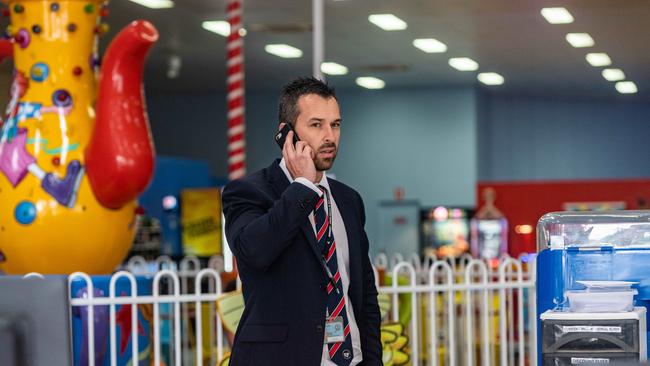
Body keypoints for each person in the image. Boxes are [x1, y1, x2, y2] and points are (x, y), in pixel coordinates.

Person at [222, 77, 382, 366]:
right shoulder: (248, 191)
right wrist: (303, 187)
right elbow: (254, 252)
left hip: (351, 358)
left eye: (335, 124)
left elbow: (364, 294)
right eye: (317, 125)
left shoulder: (349, 200)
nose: (330, 136)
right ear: (287, 134)